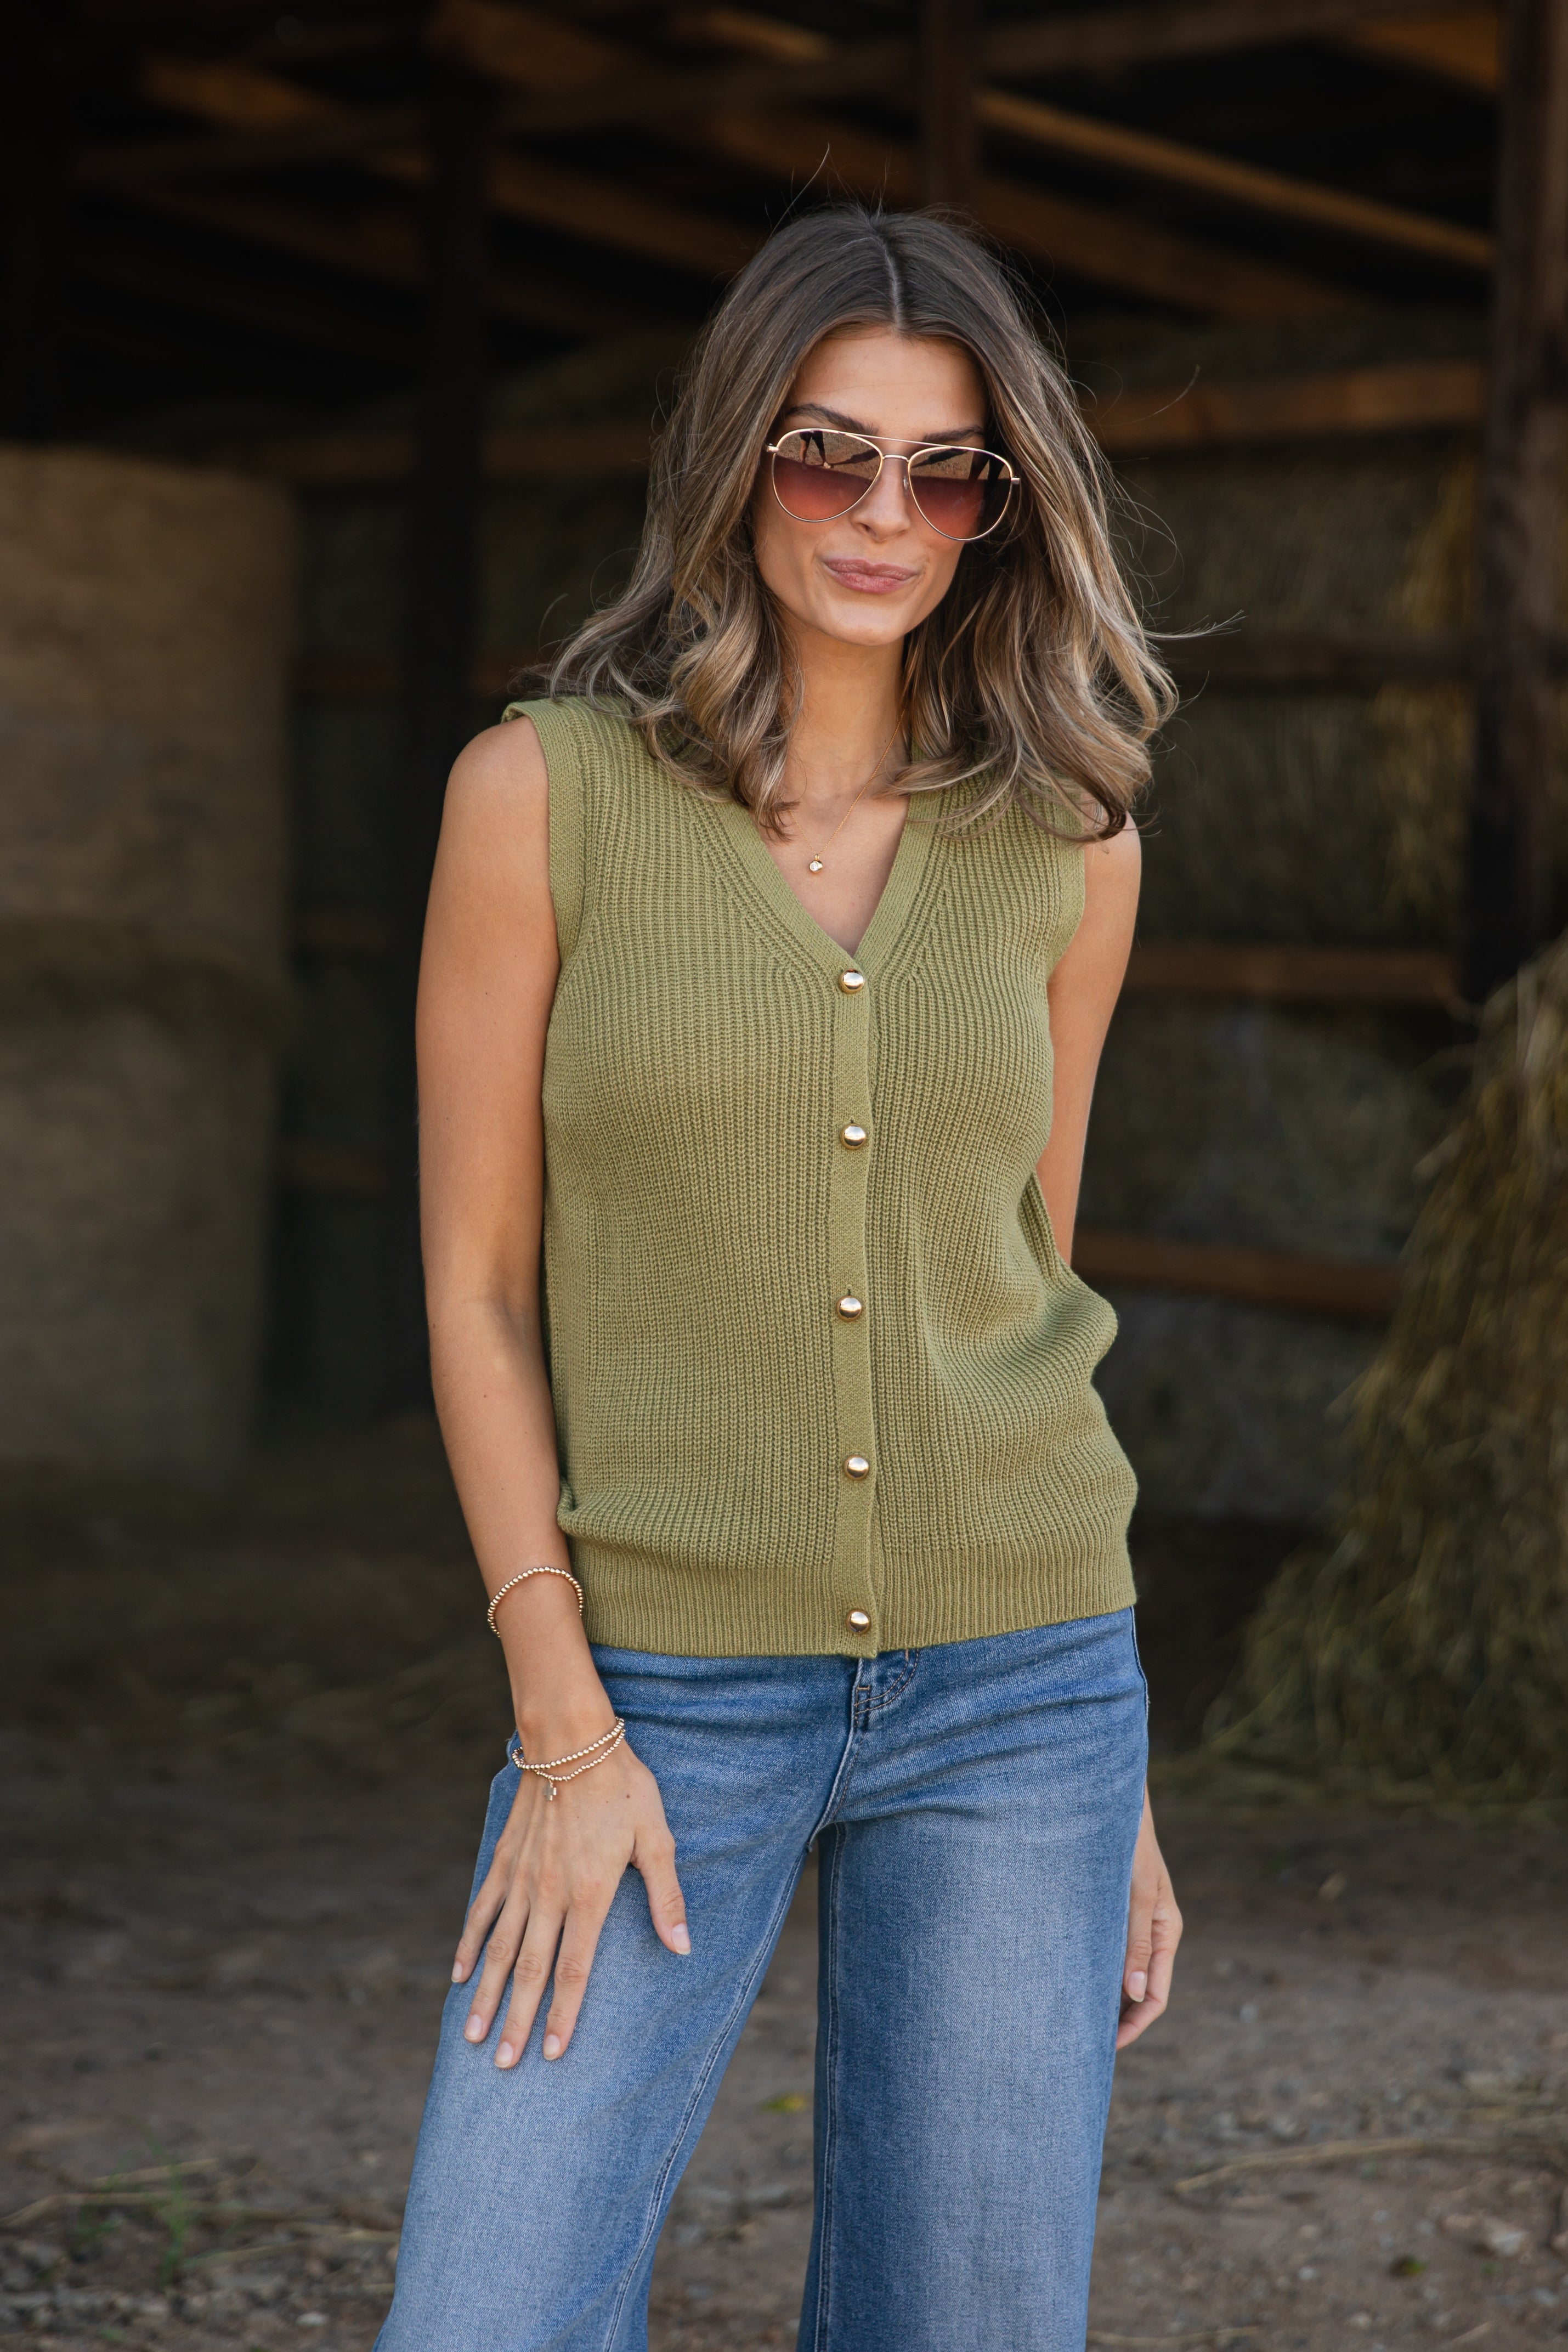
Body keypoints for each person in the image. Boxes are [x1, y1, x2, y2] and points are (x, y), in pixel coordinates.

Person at [377, 202, 1182, 2352]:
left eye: (945, 470)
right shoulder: (536, 800)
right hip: (656, 1699)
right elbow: (470, 1282)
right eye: (832, 451)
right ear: (737, 453)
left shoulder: (1073, 840)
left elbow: (1024, 1280)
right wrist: (562, 1720)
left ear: (1002, 505)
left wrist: (1118, 1787)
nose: (883, 514)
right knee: (481, 2320)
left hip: (1024, 1694)